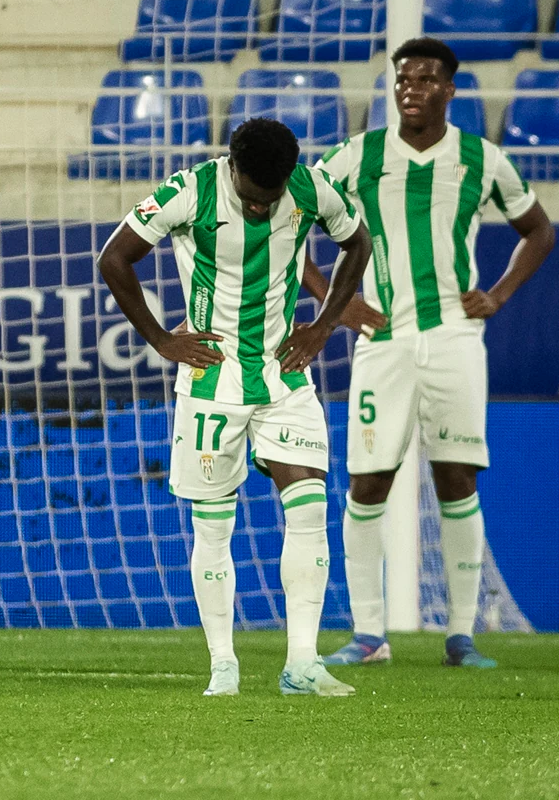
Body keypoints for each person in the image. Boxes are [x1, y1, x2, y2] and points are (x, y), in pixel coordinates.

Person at [98, 117, 372, 696]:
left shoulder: (311, 188)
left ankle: (302, 663)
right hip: (209, 381)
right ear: (232, 168)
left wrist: (323, 327)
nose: (257, 209)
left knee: (308, 508)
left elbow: (358, 243)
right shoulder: (189, 191)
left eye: (267, 201)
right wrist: (161, 340)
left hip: (282, 375)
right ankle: (224, 663)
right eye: (248, 197)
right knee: (214, 527)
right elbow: (114, 259)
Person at [305, 37, 555, 668]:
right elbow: (289, 220)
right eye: (402, 79)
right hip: (381, 340)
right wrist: (337, 304)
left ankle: (462, 634)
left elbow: (539, 229)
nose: (410, 89)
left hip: (453, 339)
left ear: (450, 89)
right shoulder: (358, 154)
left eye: (424, 79)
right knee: (367, 482)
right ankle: (368, 635)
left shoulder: (480, 158)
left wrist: (497, 296)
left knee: (456, 476)